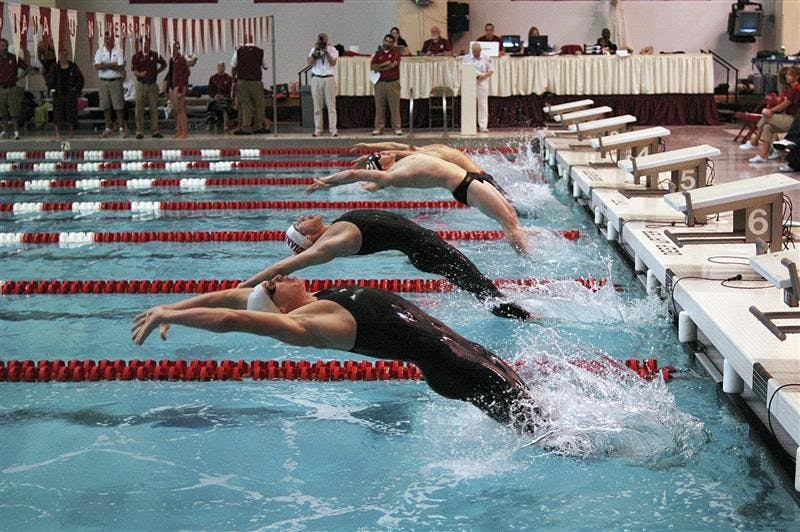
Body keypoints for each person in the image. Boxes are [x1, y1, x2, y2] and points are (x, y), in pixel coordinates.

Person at [132, 276, 540, 432]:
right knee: (546, 432)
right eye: (274, 288)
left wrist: (176, 307)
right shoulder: (312, 323)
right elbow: (233, 318)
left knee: (538, 419)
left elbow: (237, 298)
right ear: (282, 310)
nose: (275, 278)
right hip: (460, 369)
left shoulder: (316, 299)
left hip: (467, 357)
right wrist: (174, 316)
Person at [238, 209, 532, 320]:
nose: (301, 218)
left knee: (482, 289)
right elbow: (287, 265)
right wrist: (244, 286)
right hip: (429, 252)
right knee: (484, 291)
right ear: (308, 238)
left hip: (428, 249)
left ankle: (520, 314)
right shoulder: (329, 244)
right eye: (298, 225)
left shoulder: (337, 227)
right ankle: (528, 318)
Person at [306, 151, 530, 254]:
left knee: (510, 215)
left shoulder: (403, 160)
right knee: (508, 222)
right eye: (380, 155)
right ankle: (527, 259)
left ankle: (526, 249)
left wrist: (367, 157)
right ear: (382, 165)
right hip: (464, 186)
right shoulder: (392, 175)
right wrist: (327, 182)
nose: (385, 153)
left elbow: (392, 148)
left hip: (469, 181)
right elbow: (355, 176)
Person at [742, 66, 800, 164]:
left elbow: (784, 105)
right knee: (768, 127)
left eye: (789, 74)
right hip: (789, 118)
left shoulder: (796, 89)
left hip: (795, 121)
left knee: (766, 117)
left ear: (797, 76)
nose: (786, 76)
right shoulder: (792, 89)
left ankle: (754, 141)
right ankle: (763, 156)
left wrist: (770, 111)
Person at [231, 36, 269, 135]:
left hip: (242, 81)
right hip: (256, 81)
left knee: (245, 105)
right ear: (253, 40)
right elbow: (266, 67)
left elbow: (233, 66)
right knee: (259, 104)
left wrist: (234, 79)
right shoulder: (260, 51)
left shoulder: (239, 51)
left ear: (244, 41)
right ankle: (258, 126)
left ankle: (246, 127)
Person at [131, 36, 167, 139]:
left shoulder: (154, 55)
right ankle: (139, 131)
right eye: (144, 43)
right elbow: (134, 70)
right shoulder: (137, 56)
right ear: (141, 44)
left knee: (154, 108)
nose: (146, 45)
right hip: (141, 84)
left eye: (148, 43)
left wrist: (157, 72)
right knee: (139, 108)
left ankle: (155, 130)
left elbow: (164, 64)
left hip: (152, 84)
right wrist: (140, 74)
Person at [45, 48, 84, 141]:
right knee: (57, 114)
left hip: (70, 93)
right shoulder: (55, 67)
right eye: (61, 54)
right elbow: (50, 79)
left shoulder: (73, 66)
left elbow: (80, 79)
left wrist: (77, 90)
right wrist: (50, 89)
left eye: (65, 55)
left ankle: (71, 133)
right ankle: (57, 134)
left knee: (71, 113)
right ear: (59, 56)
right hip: (58, 93)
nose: (63, 56)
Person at [93, 32, 126, 138]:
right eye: (106, 38)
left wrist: (105, 65)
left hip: (115, 81)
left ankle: (121, 128)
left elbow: (121, 67)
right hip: (103, 81)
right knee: (105, 106)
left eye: (109, 38)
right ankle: (108, 128)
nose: (108, 40)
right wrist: (112, 64)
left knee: (118, 107)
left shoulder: (119, 51)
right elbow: (97, 66)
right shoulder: (100, 51)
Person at [370, 34, 402, 136]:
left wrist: (380, 68)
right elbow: (372, 67)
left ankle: (397, 128)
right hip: (380, 83)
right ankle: (379, 128)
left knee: (394, 107)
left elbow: (393, 65)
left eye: (390, 42)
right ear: (383, 41)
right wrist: (383, 65)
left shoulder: (395, 53)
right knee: (379, 107)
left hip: (392, 83)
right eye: (386, 41)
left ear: (392, 43)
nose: (387, 43)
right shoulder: (378, 54)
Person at [308, 32, 338, 137]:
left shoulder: (333, 50)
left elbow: (333, 62)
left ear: (327, 40)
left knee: (331, 106)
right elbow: (310, 62)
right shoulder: (314, 50)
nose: (322, 42)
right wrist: (316, 51)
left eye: (323, 40)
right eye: (320, 40)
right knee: (317, 106)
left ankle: (333, 130)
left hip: (329, 78)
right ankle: (318, 129)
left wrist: (326, 52)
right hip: (317, 78)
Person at [0, 38, 30, 140]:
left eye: (5, 45)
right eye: (2, 46)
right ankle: (5, 131)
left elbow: (27, 68)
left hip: (12, 87)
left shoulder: (14, 58)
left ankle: (16, 132)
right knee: (2, 112)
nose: (3, 48)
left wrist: (19, 77)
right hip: (1, 88)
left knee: (14, 112)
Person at [167, 42, 196, 139]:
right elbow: (171, 75)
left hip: (181, 86)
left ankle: (184, 131)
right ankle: (179, 130)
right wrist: (170, 87)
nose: (170, 49)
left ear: (176, 48)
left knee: (181, 109)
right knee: (177, 109)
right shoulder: (172, 60)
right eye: (169, 47)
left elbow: (184, 76)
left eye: (172, 47)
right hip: (175, 86)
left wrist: (179, 90)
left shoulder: (181, 59)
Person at [463, 42, 494, 133]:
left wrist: (484, 75)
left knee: (483, 104)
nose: (475, 53)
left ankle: (483, 126)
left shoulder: (486, 58)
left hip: (482, 82)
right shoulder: (466, 58)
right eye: (474, 52)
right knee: (469, 104)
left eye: (477, 52)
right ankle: (469, 126)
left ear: (480, 50)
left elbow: (491, 70)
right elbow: (463, 69)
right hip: (470, 82)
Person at [206, 61, 234, 133]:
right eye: (219, 66)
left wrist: (223, 96)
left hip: (225, 97)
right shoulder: (212, 78)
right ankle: (210, 123)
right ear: (217, 67)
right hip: (215, 97)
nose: (220, 68)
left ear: (224, 68)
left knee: (224, 105)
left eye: (222, 66)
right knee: (210, 103)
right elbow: (210, 91)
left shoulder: (228, 78)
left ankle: (225, 124)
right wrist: (215, 96)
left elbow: (230, 91)